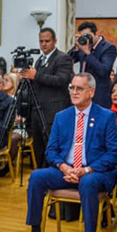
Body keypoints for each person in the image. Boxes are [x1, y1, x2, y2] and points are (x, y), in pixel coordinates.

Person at [22, 73, 117, 232]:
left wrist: (86, 170)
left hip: (94, 173)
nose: (74, 92)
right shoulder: (62, 116)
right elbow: (51, 150)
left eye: (79, 88)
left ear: (91, 92)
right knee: (36, 177)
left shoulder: (106, 117)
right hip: (66, 170)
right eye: (72, 88)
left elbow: (114, 154)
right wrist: (64, 167)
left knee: (89, 182)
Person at [20, 27, 74, 168]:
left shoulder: (63, 58)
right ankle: (42, 177)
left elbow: (61, 80)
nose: (44, 44)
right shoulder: (39, 60)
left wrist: (36, 76)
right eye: (41, 41)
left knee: (53, 148)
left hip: (53, 111)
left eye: (47, 41)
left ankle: (54, 178)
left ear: (55, 41)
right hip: (37, 111)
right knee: (39, 149)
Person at [68, 21, 117, 109]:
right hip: (82, 94)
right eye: (83, 36)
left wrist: (87, 53)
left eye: (88, 36)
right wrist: (76, 48)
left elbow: (104, 71)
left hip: (99, 95)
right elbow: (67, 61)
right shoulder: (83, 47)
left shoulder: (108, 48)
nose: (86, 39)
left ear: (96, 34)